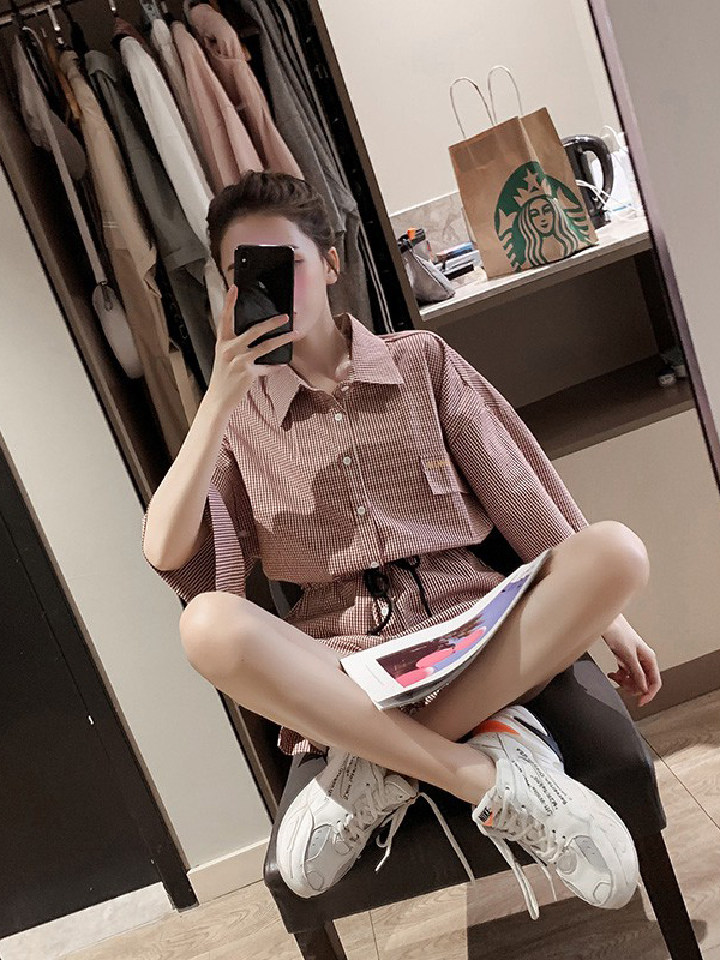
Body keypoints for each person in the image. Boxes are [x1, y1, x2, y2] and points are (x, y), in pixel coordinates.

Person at [141, 171, 662, 920]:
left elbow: (519, 492)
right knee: (205, 625)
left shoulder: (422, 361)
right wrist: (219, 399)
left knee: (617, 551)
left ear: (330, 262)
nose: (268, 288)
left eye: (285, 263)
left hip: (474, 630)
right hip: (346, 666)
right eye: (242, 274)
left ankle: (373, 769)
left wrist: (611, 621)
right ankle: (487, 773)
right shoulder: (240, 420)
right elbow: (168, 551)